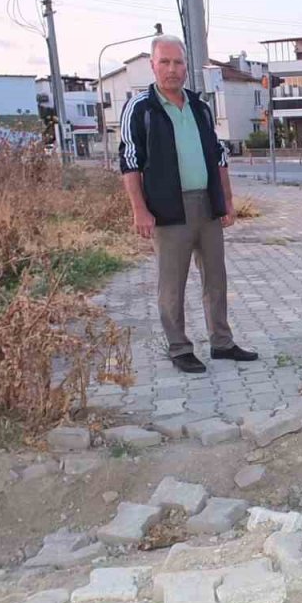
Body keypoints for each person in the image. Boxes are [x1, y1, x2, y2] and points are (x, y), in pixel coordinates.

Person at [118, 35, 258, 373]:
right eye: (164, 62)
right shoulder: (141, 108)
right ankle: (179, 348)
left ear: (186, 67)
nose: (172, 69)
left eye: (178, 62)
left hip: (206, 204)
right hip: (167, 209)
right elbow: (130, 161)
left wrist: (227, 200)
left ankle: (222, 342)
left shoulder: (200, 107)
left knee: (216, 278)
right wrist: (139, 209)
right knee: (172, 284)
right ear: (153, 66)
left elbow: (219, 156)